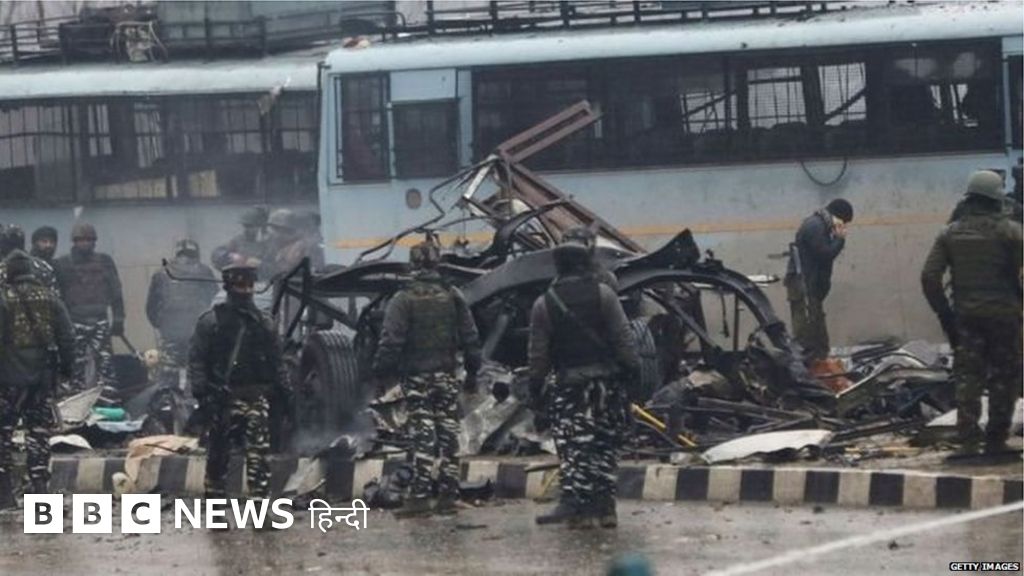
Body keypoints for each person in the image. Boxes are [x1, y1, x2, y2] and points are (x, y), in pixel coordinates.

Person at [528, 236, 640, 529]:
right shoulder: (605, 295)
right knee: (604, 445)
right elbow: (623, 339)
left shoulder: (544, 303)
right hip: (606, 385)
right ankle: (605, 508)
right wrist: (632, 373)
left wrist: (535, 390)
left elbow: (538, 356)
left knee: (574, 447)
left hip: (571, 387)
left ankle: (578, 506)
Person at [373, 238, 481, 518]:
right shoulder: (452, 294)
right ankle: (448, 495)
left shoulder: (403, 299)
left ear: (413, 264)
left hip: (417, 378)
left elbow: (391, 342)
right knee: (449, 434)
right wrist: (472, 372)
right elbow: (470, 337)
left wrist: (381, 374)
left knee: (423, 435)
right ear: (437, 264)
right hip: (446, 375)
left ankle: (420, 497)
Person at [921, 170, 1023, 455]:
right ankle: (996, 439)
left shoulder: (949, 233)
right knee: (1005, 377)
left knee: (968, 377)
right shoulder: (1011, 232)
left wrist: (945, 315)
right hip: (1004, 317)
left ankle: (967, 440)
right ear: (996, 198)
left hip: (965, 318)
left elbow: (929, 277)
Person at [188, 263, 289, 499]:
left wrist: (286, 394)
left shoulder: (264, 323)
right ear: (229, 286)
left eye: (249, 285)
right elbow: (197, 359)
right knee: (218, 456)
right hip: (222, 399)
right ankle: (215, 507)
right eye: (240, 286)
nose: (245, 291)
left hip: (256, 397)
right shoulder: (211, 322)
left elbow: (277, 362)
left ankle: (259, 508)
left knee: (259, 457)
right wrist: (202, 394)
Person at [0, 250, 74, 508]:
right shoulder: (50, 298)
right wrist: (66, 371)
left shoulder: (3, 298)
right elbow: (67, 338)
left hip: (7, 381)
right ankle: (40, 488)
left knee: (3, 434)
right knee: (38, 434)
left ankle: (5, 493)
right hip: (42, 380)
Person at [145, 239, 218, 431]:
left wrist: (163, 325)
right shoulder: (205, 271)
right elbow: (214, 301)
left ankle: (165, 420)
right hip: (197, 334)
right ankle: (197, 421)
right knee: (197, 377)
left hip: (170, 333)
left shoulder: (162, 273)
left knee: (167, 380)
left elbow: (151, 307)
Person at [53, 222, 124, 405]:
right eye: (81, 240)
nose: (85, 243)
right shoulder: (61, 264)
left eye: (89, 240)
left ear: (94, 242)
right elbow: (57, 298)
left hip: (99, 320)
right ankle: (74, 404)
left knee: (106, 366)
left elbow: (116, 292)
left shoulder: (105, 261)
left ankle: (109, 402)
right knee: (74, 367)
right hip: (73, 321)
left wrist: (118, 318)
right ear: (74, 241)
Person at [785, 198, 854, 363]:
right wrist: (840, 239)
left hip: (809, 287)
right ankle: (807, 369)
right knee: (807, 335)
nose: (843, 227)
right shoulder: (815, 226)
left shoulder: (821, 225)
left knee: (818, 335)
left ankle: (820, 365)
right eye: (843, 222)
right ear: (837, 216)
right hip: (803, 286)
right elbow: (824, 254)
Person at [260, 209, 325, 279]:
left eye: (283, 230)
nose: (276, 234)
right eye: (275, 228)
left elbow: (315, 271)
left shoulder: (304, 248)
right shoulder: (272, 248)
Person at [0, 225, 58, 296]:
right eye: (44, 241)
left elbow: (54, 296)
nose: (48, 245)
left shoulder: (43, 267)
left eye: (51, 242)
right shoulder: (43, 267)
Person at [211, 206, 268, 272]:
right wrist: (230, 256)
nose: (246, 230)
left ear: (260, 226)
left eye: (250, 226)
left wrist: (255, 263)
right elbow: (217, 254)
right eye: (245, 226)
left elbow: (273, 269)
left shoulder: (270, 243)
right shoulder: (238, 240)